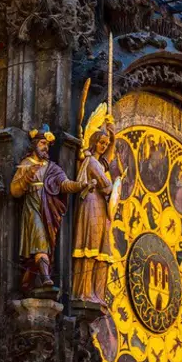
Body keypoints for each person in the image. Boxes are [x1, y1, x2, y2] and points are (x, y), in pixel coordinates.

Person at [67, 105, 121, 305]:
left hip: (100, 207)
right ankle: (84, 291)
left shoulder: (98, 162)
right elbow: (107, 186)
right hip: (91, 205)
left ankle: (96, 293)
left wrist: (113, 138)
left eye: (106, 143)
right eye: (101, 142)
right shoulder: (90, 162)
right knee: (90, 247)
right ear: (94, 142)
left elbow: (107, 160)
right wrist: (113, 188)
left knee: (101, 251)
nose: (104, 146)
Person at [10, 127, 69, 291]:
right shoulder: (26, 164)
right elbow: (14, 191)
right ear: (35, 144)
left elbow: (65, 184)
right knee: (40, 241)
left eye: (48, 145)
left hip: (49, 211)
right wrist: (28, 175)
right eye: (43, 143)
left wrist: (81, 185)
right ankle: (45, 278)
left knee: (44, 245)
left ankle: (28, 280)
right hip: (32, 209)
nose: (46, 147)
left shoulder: (52, 167)